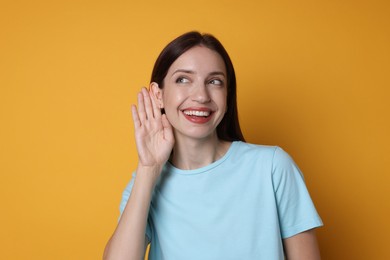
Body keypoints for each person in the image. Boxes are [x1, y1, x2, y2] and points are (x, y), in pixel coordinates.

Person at [103, 31, 323, 260]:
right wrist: (148, 169)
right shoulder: (144, 183)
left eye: (214, 82)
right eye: (183, 79)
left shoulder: (272, 167)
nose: (201, 96)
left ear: (227, 96)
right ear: (158, 96)